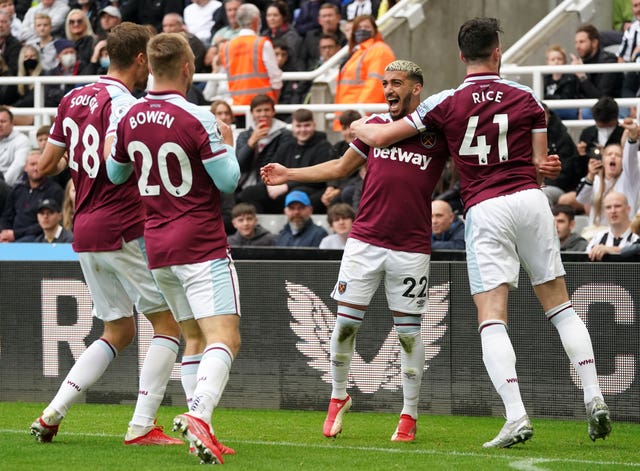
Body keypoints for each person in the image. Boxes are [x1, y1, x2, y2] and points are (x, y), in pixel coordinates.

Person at [352, 17, 611, 448]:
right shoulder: (528, 97)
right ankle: (594, 396)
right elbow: (540, 166)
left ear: (460, 56)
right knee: (561, 306)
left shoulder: (444, 102)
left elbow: (381, 136)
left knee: (492, 317)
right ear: (498, 53)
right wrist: (542, 168)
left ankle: (516, 415)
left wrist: (361, 128)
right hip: (531, 201)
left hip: (485, 208)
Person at [262, 60, 448, 441]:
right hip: (364, 242)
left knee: (410, 335)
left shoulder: (438, 132)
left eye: (397, 83)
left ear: (416, 88)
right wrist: (290, 174)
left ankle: (409, 414)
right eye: (385, 83)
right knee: (345, 325)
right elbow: (340, 167)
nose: (389, 89)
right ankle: (337, 397)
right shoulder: (374, 124)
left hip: (411, 247)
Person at [32, 22, 184, 447]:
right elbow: (114, 162)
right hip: (122, 225)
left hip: (84, 228)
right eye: (148, 62)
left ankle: (52, 413)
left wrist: (78, 166)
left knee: (118, 330)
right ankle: (141, 427)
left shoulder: (72, 97)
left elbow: (45, 166)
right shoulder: (126, 106)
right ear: (140, 59)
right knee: (169, 325)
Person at [106, 32, 241, 465]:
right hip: (200, 240)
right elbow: (228, 182)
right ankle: (199, 415)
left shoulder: (129, 116)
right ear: (187, 68)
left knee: (194, 336)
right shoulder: (197, 117)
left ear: (150, 66)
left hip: (158, 245)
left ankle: (204, 430)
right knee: (225, 337)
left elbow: (113, 172)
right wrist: (229, 143)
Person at [240, 108, 334, 213]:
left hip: (308, 190)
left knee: (296, 194)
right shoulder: (287, 146)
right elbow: (272, 168)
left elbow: (318, 179)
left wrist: (286, 187)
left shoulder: (324, 147)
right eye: (298, 126)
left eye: (307, 125)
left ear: (314, 125)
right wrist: (270, 184)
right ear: (292, 127)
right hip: (280, 188)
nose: (302, 130)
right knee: (250, 193)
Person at [557, 96, 625, 213]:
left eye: (608, 125)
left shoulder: (625, 135)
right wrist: (582, 156)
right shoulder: (588, 133)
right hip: (593, 183)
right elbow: (579, 173)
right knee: (565, 200)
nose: (604, 128)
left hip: (620, 185)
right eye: (600, 125)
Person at [576, 117, 640, 238]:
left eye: (618, 155)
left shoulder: (629, 178)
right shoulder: (594, 180)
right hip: (595, 235)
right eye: (609, 154)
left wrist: (632, 137)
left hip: (624, 235)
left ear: (623, 161)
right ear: (603, 159)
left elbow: (631, 158)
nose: (613, 157)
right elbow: (581, 199)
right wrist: (590, 175)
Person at [334, 15, 395, 128]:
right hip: (351, 116)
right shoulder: (358, 52)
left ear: (374, 30)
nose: (362, 30)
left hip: (364, 118)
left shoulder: (378, 50)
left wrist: (360, 114)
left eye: (367, 27)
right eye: (359, 27)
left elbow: (374, 86)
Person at [219, 3, 282, 106]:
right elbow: (275, 78)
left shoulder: (226, 47)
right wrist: (274, 101)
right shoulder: (262, 43)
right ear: (256, 20)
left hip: (238, 105)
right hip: (263, 107)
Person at [0, 150, 64, 242]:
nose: (35, 168)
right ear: (25, 167)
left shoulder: (54, 190)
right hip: (12, 237)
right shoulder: (17, 189)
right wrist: (3, 233)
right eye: (32, 164)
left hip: (38, 238)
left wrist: (15, 234)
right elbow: (7, 216)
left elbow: (49, 223)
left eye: (38, 164)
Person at [235, 94, 290, 197]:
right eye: (259, 111)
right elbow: (240, 166)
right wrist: (251, 142)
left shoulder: (284, 135)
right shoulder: (245, 135)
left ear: (273, 112)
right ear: (252, 113)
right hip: (244, 184)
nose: (263, 114)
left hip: (271, 184)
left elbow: (280, 163)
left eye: (266, 110)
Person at [570, 23, 623, 116]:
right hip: (591, 107)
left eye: (582, 42)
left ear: (594, 43)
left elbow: (602, 97)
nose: (577, 46)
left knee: (586, 112)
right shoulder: (580, 62)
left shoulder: (609, 61)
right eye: (576, 42)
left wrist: (582, 76)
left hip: (613, 107)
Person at [541, 103, 581, 206]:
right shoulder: (523, 137)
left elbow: (567, 171)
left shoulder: (562, 138)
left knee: (542, 195)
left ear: (548, 115)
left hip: (559, 187)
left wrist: (545, 183)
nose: (539, 119)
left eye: (542, 115)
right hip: (530, 185)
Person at [586, 191, 639, 260]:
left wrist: (611, 250)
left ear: (628, 209)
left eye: (617, 206)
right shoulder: (598, 238)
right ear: (604, 212)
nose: (613, 211)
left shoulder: (637, 235)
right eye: (608, 207)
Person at [299, 2, 346, 70]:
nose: (327, 19)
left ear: (338, 18)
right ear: (319, 20)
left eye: (330, 15)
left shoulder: (345, 38)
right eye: (324, 16)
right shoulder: (310, 37)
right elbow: (302, 59)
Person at [44, 39, 85, 108]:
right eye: (65, 53)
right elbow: (48, 95)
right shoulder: (51, 73)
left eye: (72, 52)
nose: (69, 55)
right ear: (58, 57)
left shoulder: (83, 69)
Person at [262, 1, 302, 70]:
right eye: (269, 15)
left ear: (283, 17)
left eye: (275, 15)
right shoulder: (264, 34)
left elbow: (290, 57)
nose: (272, 18)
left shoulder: (292, 35)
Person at [543, 44, 579, 120]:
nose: (556, 62)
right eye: (553, 59)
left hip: (566, 109)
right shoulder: (545, 79)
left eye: (559, 59)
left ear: (565, 61)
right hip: (550, 109)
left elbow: (565, 97)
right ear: (547, 62)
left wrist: (548, 98)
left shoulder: (570, 78)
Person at [0, 106, 31, 187]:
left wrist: (3, 185)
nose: (0, 125)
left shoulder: (22, 140)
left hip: (10, 187)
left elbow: (18, 166)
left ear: (12, 123)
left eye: (3, 121)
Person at [0, 10, 19, 75]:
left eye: (4, 22)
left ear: (10, 25)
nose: (0, 25)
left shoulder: (16, 45)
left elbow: (12, 71)